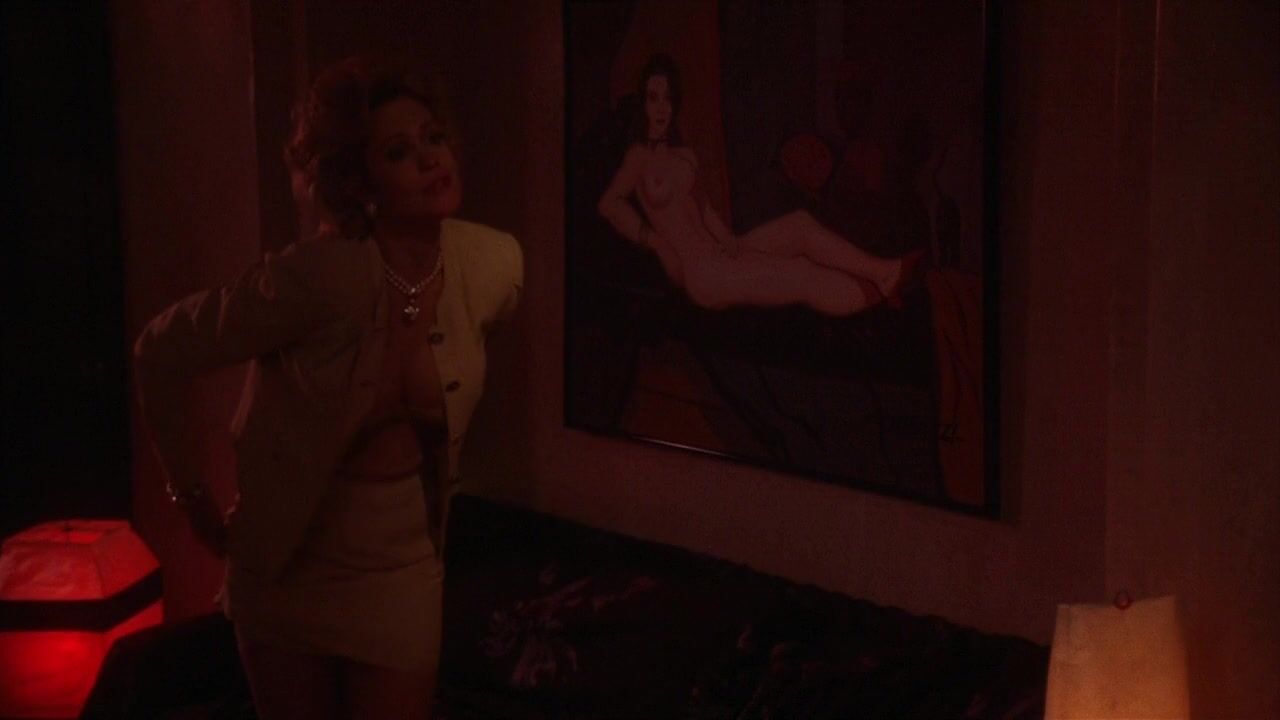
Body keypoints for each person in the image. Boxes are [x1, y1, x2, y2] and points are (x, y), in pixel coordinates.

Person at [132, 57, 522, 719]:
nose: (431, 159)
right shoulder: (317, 278)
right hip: (289, 568)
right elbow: (160, 350)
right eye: (398, 152)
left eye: (433, 138)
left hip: (401, 571)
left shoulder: (492, 265)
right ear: (359, 181)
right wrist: (190, 494)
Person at [598, 53, 921, 316]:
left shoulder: (685, 156)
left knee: (800, 225)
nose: (661, 108)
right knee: (799, 273)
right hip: (703, 277)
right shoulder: (638, 158)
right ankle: (872, 296)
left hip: (720, 253)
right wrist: (656, 242)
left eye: (668, 98)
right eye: (653, 98)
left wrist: (728, 240)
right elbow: (609, 204)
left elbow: (704, 210)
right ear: (644, 103)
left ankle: (883, 272)